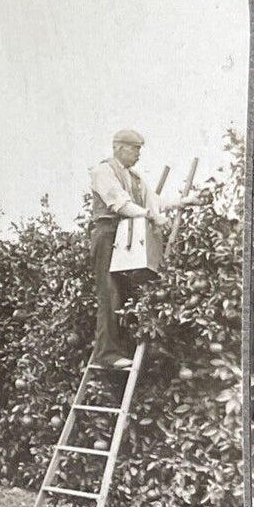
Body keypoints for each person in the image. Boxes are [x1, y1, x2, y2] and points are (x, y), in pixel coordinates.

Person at [88, 129, 196, 368]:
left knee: (126, 293)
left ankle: (122, 350)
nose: (139, 154)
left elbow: (155, 202)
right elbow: (120, 204)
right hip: (109, 234)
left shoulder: (135, 178)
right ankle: (106, 354)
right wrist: (150, 216)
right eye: (135, 148)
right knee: (110, 291)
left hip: (128, 236)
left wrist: (182, 202)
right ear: (119, 147)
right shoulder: (103, 171)